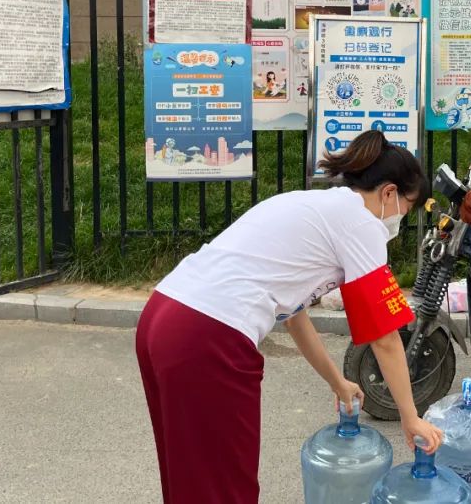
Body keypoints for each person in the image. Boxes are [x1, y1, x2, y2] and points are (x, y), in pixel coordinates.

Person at [135, 130, 443, 503]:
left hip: (164, 315)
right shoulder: (361, 223)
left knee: (190, 477)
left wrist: (338, 382)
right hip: (207, 335)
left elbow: (295, 317)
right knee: (225, 488)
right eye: (408, 208)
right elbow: (385, 337)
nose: (401, 219)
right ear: (389, 193)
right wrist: (410, 417)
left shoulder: (316, 205)